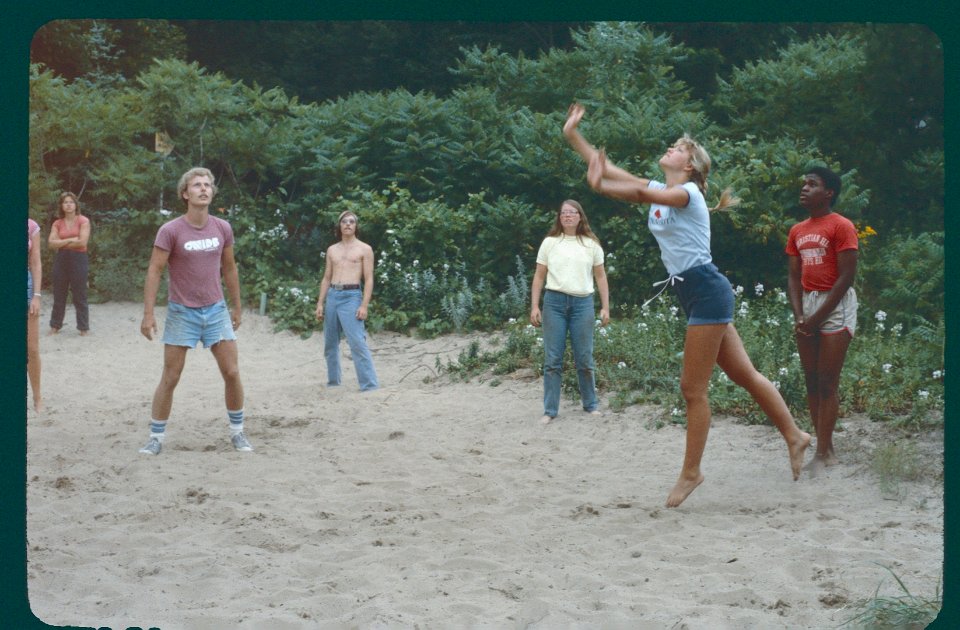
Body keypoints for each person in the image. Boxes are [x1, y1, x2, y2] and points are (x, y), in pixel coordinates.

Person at [563, 103, 810, 507]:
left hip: (706, 289)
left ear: (691, 165)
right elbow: (605, 167)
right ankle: (795, 435)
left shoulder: (687, 193)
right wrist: (573, 135)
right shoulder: (664, 190)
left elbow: (633, 191)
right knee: (745, 374)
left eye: (677, 148)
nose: (670, 149)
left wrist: (599, 189)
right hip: (694, 292)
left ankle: (692, 471)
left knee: (692, 390)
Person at [138, 167, 252, 455]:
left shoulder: (222, 228)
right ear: (185, 194)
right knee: (171, 376)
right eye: (197, 185)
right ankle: (156, 437)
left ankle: (238, 432)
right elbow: (154, 269)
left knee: (232, 371)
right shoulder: (171, 230)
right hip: (181, 312)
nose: (203, 189)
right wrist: (148, 314)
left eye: (208, 185)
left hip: (216, 310)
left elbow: (229, 267)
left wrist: (237, 306)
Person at [786, 166, 858, 474]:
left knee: (828, 381)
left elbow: (846, 276)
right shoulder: (797, 230)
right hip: (809, 304)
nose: (804, 188)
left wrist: (816, 318)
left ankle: (825, 452)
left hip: (835, 304)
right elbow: (793, 277)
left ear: (828, 193)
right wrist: (801, 315)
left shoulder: (841, 226)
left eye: (812, 184)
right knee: (812, 381)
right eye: (804, 184)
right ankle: (821, 443)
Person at [530, 199, 610, 424]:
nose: (567, 216)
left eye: (572, 212)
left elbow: (600, 276)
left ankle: (590, 404)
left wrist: (605, 307)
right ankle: (550, 410)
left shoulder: (591, 244)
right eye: (563, 213)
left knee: (584, 357)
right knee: (552, 359)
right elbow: (539, 276)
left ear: (580, 216)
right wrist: (535, 305)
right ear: (559, 217)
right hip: (554, 303)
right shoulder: (549, 243)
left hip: (582, 304)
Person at [315, 211, 379, 391]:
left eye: (352, 222)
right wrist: (320, 302)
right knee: (330, 343)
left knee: (357, 342)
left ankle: (369, 385)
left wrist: (364, 305)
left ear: (356, 226)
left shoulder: (364, 249)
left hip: (352, 297)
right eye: (344, 221)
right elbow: (326, 278)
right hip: (333, 296)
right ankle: (333, 381)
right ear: (339, 226)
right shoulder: (332, 249)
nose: (348, 224)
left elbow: (369, 279)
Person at [48, 192, 91, 335]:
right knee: (59, 294)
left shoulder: (83, 221)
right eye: (65, 202)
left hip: (79, 259)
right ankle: (55, 326)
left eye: (71, 202)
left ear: (75, 204)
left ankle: (83, 328)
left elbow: (82, 242)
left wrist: (61, 242)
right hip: (61, 259)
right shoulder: (57, 223)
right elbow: (51, 243)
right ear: (61, 205)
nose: (68, 204)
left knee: (80, 294)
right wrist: (70, 240)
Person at [28, 218, 43, 413]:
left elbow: (36, 261)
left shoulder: (30, 226)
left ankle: (37, 397)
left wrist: (37, 295)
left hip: (26, 285)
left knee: (31, 348)